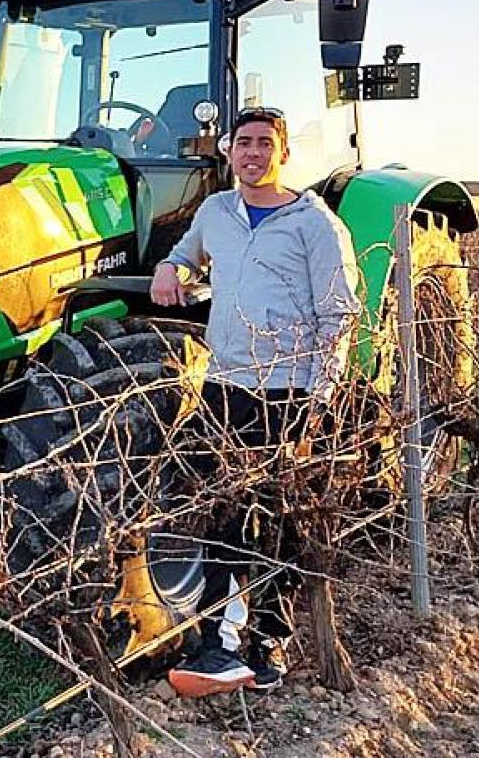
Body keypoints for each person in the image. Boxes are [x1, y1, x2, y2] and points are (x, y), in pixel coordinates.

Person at [148, 106, 361, 696]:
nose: (253, 153)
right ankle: (218, 640)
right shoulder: (216, 212)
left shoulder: (314, 224)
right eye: (243, 143)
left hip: (290, 387)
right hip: (226, 384)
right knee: (223, 507)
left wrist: (318, 399)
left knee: (280, 516)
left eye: (266, 143)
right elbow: (189, 253)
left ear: (284, 154)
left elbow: (340, 314)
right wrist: (170, 267)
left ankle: (269, 638)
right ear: (229, 151)